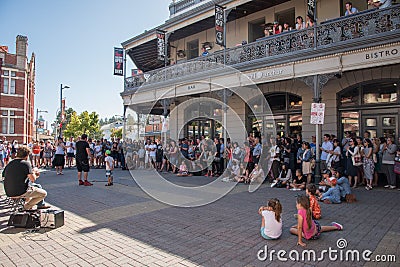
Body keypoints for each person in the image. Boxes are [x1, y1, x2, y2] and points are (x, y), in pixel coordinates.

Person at [3, 146, 48, 210]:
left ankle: (29, 208)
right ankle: (25, 207)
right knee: (43, 194)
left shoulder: (10, 163)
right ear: (26, 156)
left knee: (35, 187)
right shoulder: (26, 163)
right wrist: (34, 172)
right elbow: (33, 179)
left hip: (9, 191)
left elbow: (4, 176)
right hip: (20, 191)